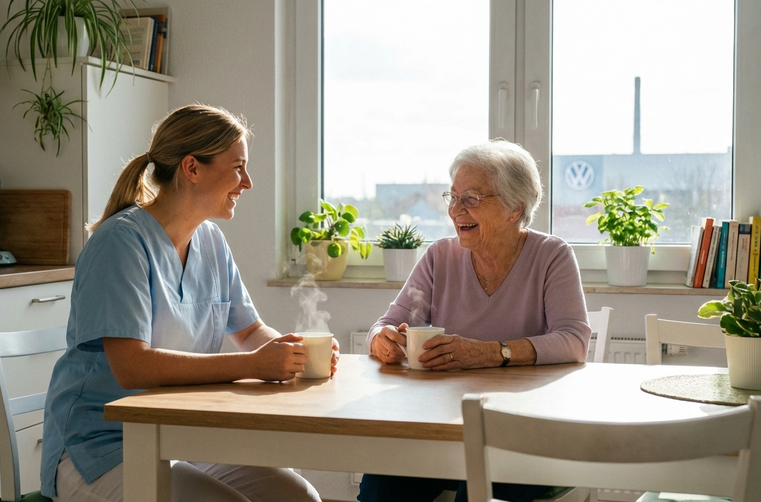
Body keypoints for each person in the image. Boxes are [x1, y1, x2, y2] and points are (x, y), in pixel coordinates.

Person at [40, 104, 334, 502]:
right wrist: (253, 365)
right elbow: (132, 366)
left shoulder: (210, 241)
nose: (247, 182)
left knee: (298, 497)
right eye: (238, 167)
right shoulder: (120, 243)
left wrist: (294, 351)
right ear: (192, 168)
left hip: (178, 437)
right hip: (101, 448)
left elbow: (249, 331)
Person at [358, 139, 591, 502]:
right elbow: (386, 323)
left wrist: (492, 352)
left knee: (478, 488)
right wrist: (382, 339)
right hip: (442, 431)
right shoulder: (439, 256)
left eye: (471, 198)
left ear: (515, 208)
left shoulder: (551, 256)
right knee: (381, 486)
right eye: (453, 197)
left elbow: (574, 340)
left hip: (527, 433)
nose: (456, 210)